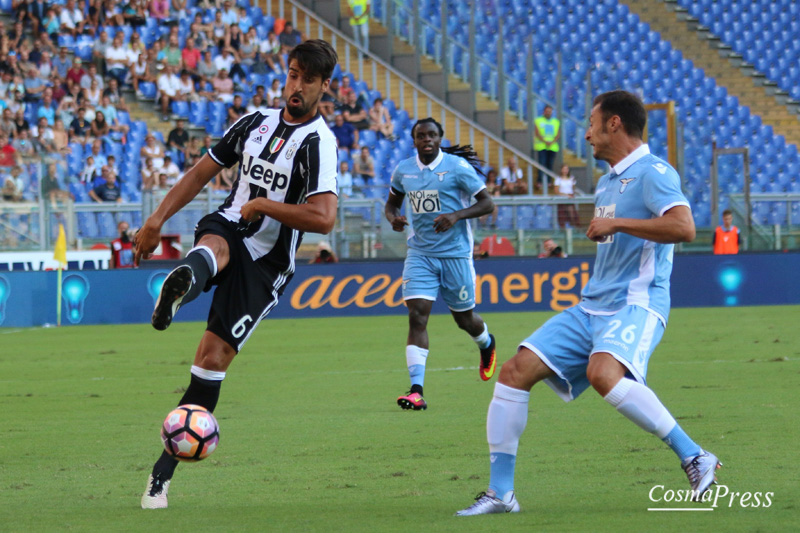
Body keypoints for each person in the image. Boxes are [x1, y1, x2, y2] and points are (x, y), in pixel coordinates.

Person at [455, 90, 719, 517]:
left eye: (591, 123)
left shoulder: (654, 172)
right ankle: (501, 493)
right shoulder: (608, 181)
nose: (587, 132)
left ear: (614, 123)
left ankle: (694, 455)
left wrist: (616, 221)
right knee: (514, 371)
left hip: (637, 302)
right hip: (592, 306)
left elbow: (684, 227)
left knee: (603, 372)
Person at [135, 39, 339, 510]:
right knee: (215, 243)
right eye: (292, 74)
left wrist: (265, 205)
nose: (296, 86)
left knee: (210, 361)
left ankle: (160, 476)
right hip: (229, 227)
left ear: (323, 87)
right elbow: (200, 172)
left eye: (308, 79)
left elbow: (324, 218)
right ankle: (183, 286)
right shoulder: (254, 122)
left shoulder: (319, 144)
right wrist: (156, 220)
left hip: (268, 263)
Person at [384, 117, 497, 411]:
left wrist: (456, 216)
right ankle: (416, 390)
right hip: (420, 254)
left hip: (456, 256)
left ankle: (486, 343)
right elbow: (391, 203)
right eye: (421, 136)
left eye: (432, 135)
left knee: (465, 320)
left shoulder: (458, 169)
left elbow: (488, 203)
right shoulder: (404, 171)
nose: (427, 140)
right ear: (414, 140)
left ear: (440, 138)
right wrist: (393, 218)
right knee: (417, 315)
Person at [533, 104, 559, 187]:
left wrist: (552, 142)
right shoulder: (538, 120)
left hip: (552, 147)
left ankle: (548, 181)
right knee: (542, 163)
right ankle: (539, 181)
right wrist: (545, 141)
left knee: (550, 164)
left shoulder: (556, 122)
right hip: (542, 146)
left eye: (550, 111)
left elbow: (558, 133)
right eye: (547, 111)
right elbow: (537, 133)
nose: (548, 113)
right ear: (544, 111)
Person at [555, 164, 580, 228]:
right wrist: (566, 195)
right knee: (562, 215)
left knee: (572, 214)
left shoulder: (571, 178)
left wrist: (572, 195)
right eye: (564, 169)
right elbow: (557, 191)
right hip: (562, 199)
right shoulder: (558, 179)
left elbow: (573, 189)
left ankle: (575, 228)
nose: (565, 171)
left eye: (566, 169)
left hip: (570, 199)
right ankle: (562, 229)